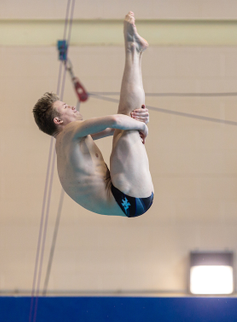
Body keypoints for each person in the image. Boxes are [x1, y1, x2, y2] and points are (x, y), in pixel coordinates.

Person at [32, 12, 153, 218]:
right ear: (58, 120)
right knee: (126, 117)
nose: (72, 107)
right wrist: (142, 127)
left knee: (127, 121)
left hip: (127, 199)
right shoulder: (68, 133)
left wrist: (136, 124)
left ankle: (135, 51)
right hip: (125, 196)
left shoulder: (66, 144)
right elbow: (115, 120)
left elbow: (113, 126)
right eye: (66, 107)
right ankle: (133, 50)